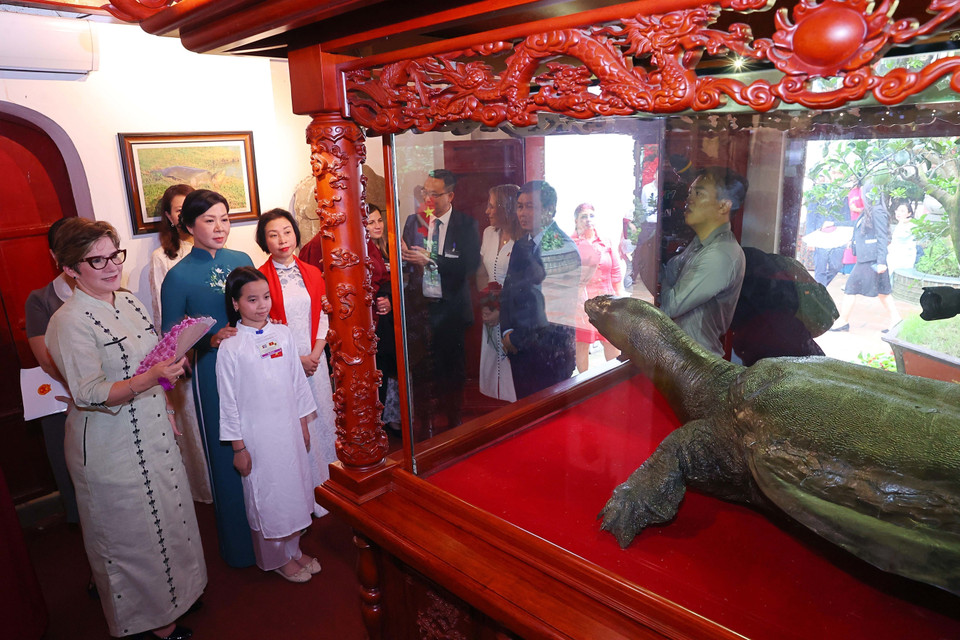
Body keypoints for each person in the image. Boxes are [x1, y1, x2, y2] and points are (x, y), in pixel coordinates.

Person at [46, 218, 205, 640]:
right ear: (70, 269)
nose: (111, 266)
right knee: (132, 533)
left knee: (170, 515)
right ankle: (152, 620)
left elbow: (152, 357)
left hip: (153, 423)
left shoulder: (130, 301)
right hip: (108, 442)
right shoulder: (68, 320)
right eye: (95, 261)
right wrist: (151, 378)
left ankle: (180, 594)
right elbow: (89, 392)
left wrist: (167, 387)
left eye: (113, 255)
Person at [161, 189, 257, 568]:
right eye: (209, 220)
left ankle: (276, 536)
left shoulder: (242, 259)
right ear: (188, 226)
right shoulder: (178, 276)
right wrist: (209, 339)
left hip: (252, 364)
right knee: (228, 456)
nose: (220, 228)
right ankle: (240, 549)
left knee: (263, 444)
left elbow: (259, 305)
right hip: (211, 372)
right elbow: (171, 340)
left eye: (225, 219)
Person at [217, 267, 320, 583]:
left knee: (293, 489)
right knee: (268, 496)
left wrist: (303, 424)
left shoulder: (282, 334)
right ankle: (276, 558)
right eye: (252, 299)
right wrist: (239, 448)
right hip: (257, 436)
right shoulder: (230, 347)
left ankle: (293, 549)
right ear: (235, 303)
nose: (262, 305)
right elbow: (228, 401)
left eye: (265, 297)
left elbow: (297, 382)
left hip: (288, 429)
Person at [255, 209, 336, 517]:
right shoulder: (259, 278)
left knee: (321, 419)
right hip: (283, 363)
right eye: (273, 234)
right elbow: (261, 328)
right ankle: (305, 495)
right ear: (264, 240)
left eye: (287, 232)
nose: (282, 240)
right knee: (295, 427)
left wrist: (315, 354)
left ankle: (329, 488)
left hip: (315, 358)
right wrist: (295, 360)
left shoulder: (312, 272)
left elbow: (324, 316)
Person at [400, 169, 480, 430]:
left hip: (451, 310)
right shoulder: (414, 221)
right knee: (421, 370)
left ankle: (454, 421)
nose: (428, 199)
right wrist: (403, 257)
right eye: (425, 192)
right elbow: (406, 264)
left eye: (434, 194)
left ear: (450, 196)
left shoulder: (466, 224)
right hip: (420, 309)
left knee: (452, 370)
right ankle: (423, 423)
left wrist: (431, 260)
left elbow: (469, 266)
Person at [148, 184, 212, 505]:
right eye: (179, 209)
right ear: (171, 217)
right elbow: (165, 313)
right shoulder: (162, 258)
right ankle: (207, 488)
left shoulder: (216, 249)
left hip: (218, 345)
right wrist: (178, 351)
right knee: (197, 422)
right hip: (188, 349)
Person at [660, 166, 748, 356]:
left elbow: (669, 307)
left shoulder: (720, 255)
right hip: (679, 357)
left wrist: (656, 267)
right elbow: (670, 272)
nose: (689, 199)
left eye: (698, 194)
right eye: (690, 192)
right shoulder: (699, 243)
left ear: (723, 206)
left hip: (694, 363)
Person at [24, 218, 78, 524]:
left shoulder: (116, 292)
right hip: (65, 398)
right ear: (54, 255)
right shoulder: (41, 299)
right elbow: (47, 359)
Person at [506, 180, 577, 388]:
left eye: (530, 206)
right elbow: (509, 292)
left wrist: (516, 339)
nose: (522, 213)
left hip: (550, 354)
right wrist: (506, 332)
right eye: (520, 206)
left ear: (549, 209)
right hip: (520, 350)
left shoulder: (561, 247)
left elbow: (552, 309)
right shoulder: (522, 244)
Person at [830, 179, 901, 332]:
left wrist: (881, 262)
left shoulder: (877, 211)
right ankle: (896, 321)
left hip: (871, 259)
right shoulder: (869, 211)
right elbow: (856, 226)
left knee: (850, 288)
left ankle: (843, 321)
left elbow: (882, 237)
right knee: (883, 291)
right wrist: (834, 224)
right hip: (869, 258)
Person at [476, 184, 520, 402]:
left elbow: (524, 286)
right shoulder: (488, 234)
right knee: (492, 379)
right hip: (491, 313)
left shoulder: (523, 239)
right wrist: (487, 304)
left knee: (515, 382)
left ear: (506, 208)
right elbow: (482, 272)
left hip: (515, 317)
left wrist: (502, 312)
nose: (487, 211)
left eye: (492, 206)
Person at [571, 203, 625, 372]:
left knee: (612, 343)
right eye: (583, 216)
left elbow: (616, 274)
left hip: (607, 305)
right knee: (581, 346)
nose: (588, 220)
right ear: (576, 221)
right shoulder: (570, 244)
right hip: (582, 307)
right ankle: (584, 384)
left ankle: (615, 382)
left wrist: (621, 303)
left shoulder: (606, 242)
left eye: (591, 216)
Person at [366, 204, 400, 430]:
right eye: (371, 222)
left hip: (392, 317)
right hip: (375, 319)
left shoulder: (389, 245)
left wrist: (390, 299)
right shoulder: (364, 249)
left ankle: (392, 418)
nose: (377, 226)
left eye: (379, 220)